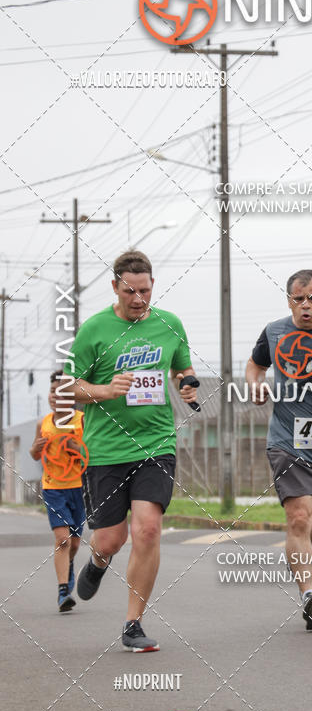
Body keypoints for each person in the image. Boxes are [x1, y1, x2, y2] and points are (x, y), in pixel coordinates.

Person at [71, 249, 199, 652]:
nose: (139, 299)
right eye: (130, 291)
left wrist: (188, 383)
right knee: (109, 539)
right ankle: (97, 562)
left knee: (147, 529)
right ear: (115, 287)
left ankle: (133, 623)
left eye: (145, 290)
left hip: (156, 443)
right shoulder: (93, 330)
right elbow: (68, 387)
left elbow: (182, 367)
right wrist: (106, 390)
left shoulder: (169, 324)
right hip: (107, 450)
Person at [246, 269, 312, 631]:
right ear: (288, 299)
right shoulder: (274, 332)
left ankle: (308, 568)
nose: (305, 306)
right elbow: (255, 365)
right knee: (300, 518)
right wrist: (255, 384)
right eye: (298, 299)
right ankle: (308, 594)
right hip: (287, 440)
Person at [30, 372, 86, 612]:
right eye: (53, 391)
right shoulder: (43, 423)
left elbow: (91, 457)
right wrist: (35, 448)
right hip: (53, 488)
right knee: (62, 539)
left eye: (61, 392)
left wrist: (76, 449)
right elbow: (35, 455)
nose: (56, 396)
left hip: (78, 489)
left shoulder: (82, 420)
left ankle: (69, 563)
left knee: (73, 544)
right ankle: (64, 592)